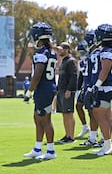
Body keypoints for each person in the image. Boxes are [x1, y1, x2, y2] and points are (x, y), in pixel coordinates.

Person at [23, 22, 57, 160]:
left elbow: (37, 75)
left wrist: (29, 92)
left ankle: (50, 151)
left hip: (43, 89)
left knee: (45, 120)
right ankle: (37, 148)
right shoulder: (51, 52)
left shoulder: (41, 53)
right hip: (47, 88)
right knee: (38, 118)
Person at [90, 23, 112, 156]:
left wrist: (97, 85)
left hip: (104, 87)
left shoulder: (106, 51)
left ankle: (108, 145)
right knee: (104, 116)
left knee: (100, 115)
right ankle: (107, 144)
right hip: (105, 86)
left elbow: (105, 69)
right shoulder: (105, 50)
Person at [80, 31, 101, 147]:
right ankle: (93, 137)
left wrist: (94, 86)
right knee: (92, 113)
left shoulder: (97, 54)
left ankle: (103, 138)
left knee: (99, 114)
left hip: (95, 86)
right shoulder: (92, 54)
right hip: (89, 85)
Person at [57, 42, 78, 143]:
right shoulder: (63, 61)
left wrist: (69, 90)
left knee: (69, 113)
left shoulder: (71, 61)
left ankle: (71, 137)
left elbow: (74, 76)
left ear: (68, 50)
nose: (60, 50)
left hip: (67, 90)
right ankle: (67, 135)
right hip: (61, 90)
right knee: (64, 114)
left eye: (62, 49)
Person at [75, 40, 90, 138]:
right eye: (80, 52)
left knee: (91, 110)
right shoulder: (81, 62)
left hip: (91, 86)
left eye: (83, 52)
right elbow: (81, 76)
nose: (81, 54)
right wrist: (77, 89)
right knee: (78, 106)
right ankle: (85, 127)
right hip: (84, 87)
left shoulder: (91, 59)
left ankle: (95, 130)